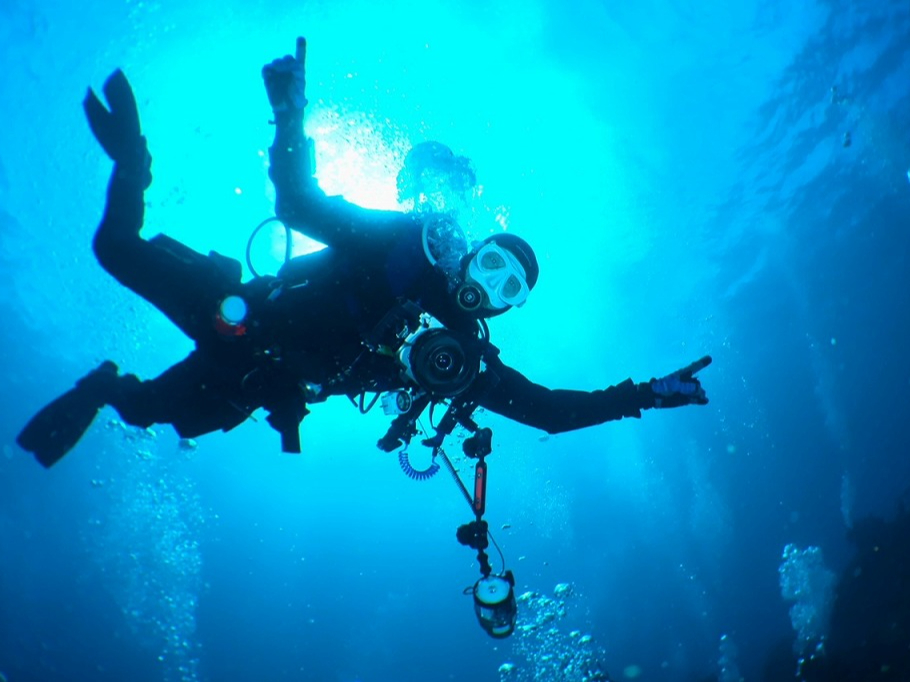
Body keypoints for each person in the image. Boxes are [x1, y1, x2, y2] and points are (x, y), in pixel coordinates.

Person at [16, 37, 711, 469]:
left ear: (508, 307)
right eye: (493, 261)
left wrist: (645, 395)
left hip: (256, 380)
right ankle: (133, 164)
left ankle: (104, 383)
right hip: (242, 311)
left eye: (507, 290)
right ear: (473, 249)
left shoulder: (459, 354)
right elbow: (298, 203)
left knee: (140, 412)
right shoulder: (403, 243)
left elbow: (550, 411)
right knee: (113, 246)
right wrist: (291, 119)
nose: (488, 285)